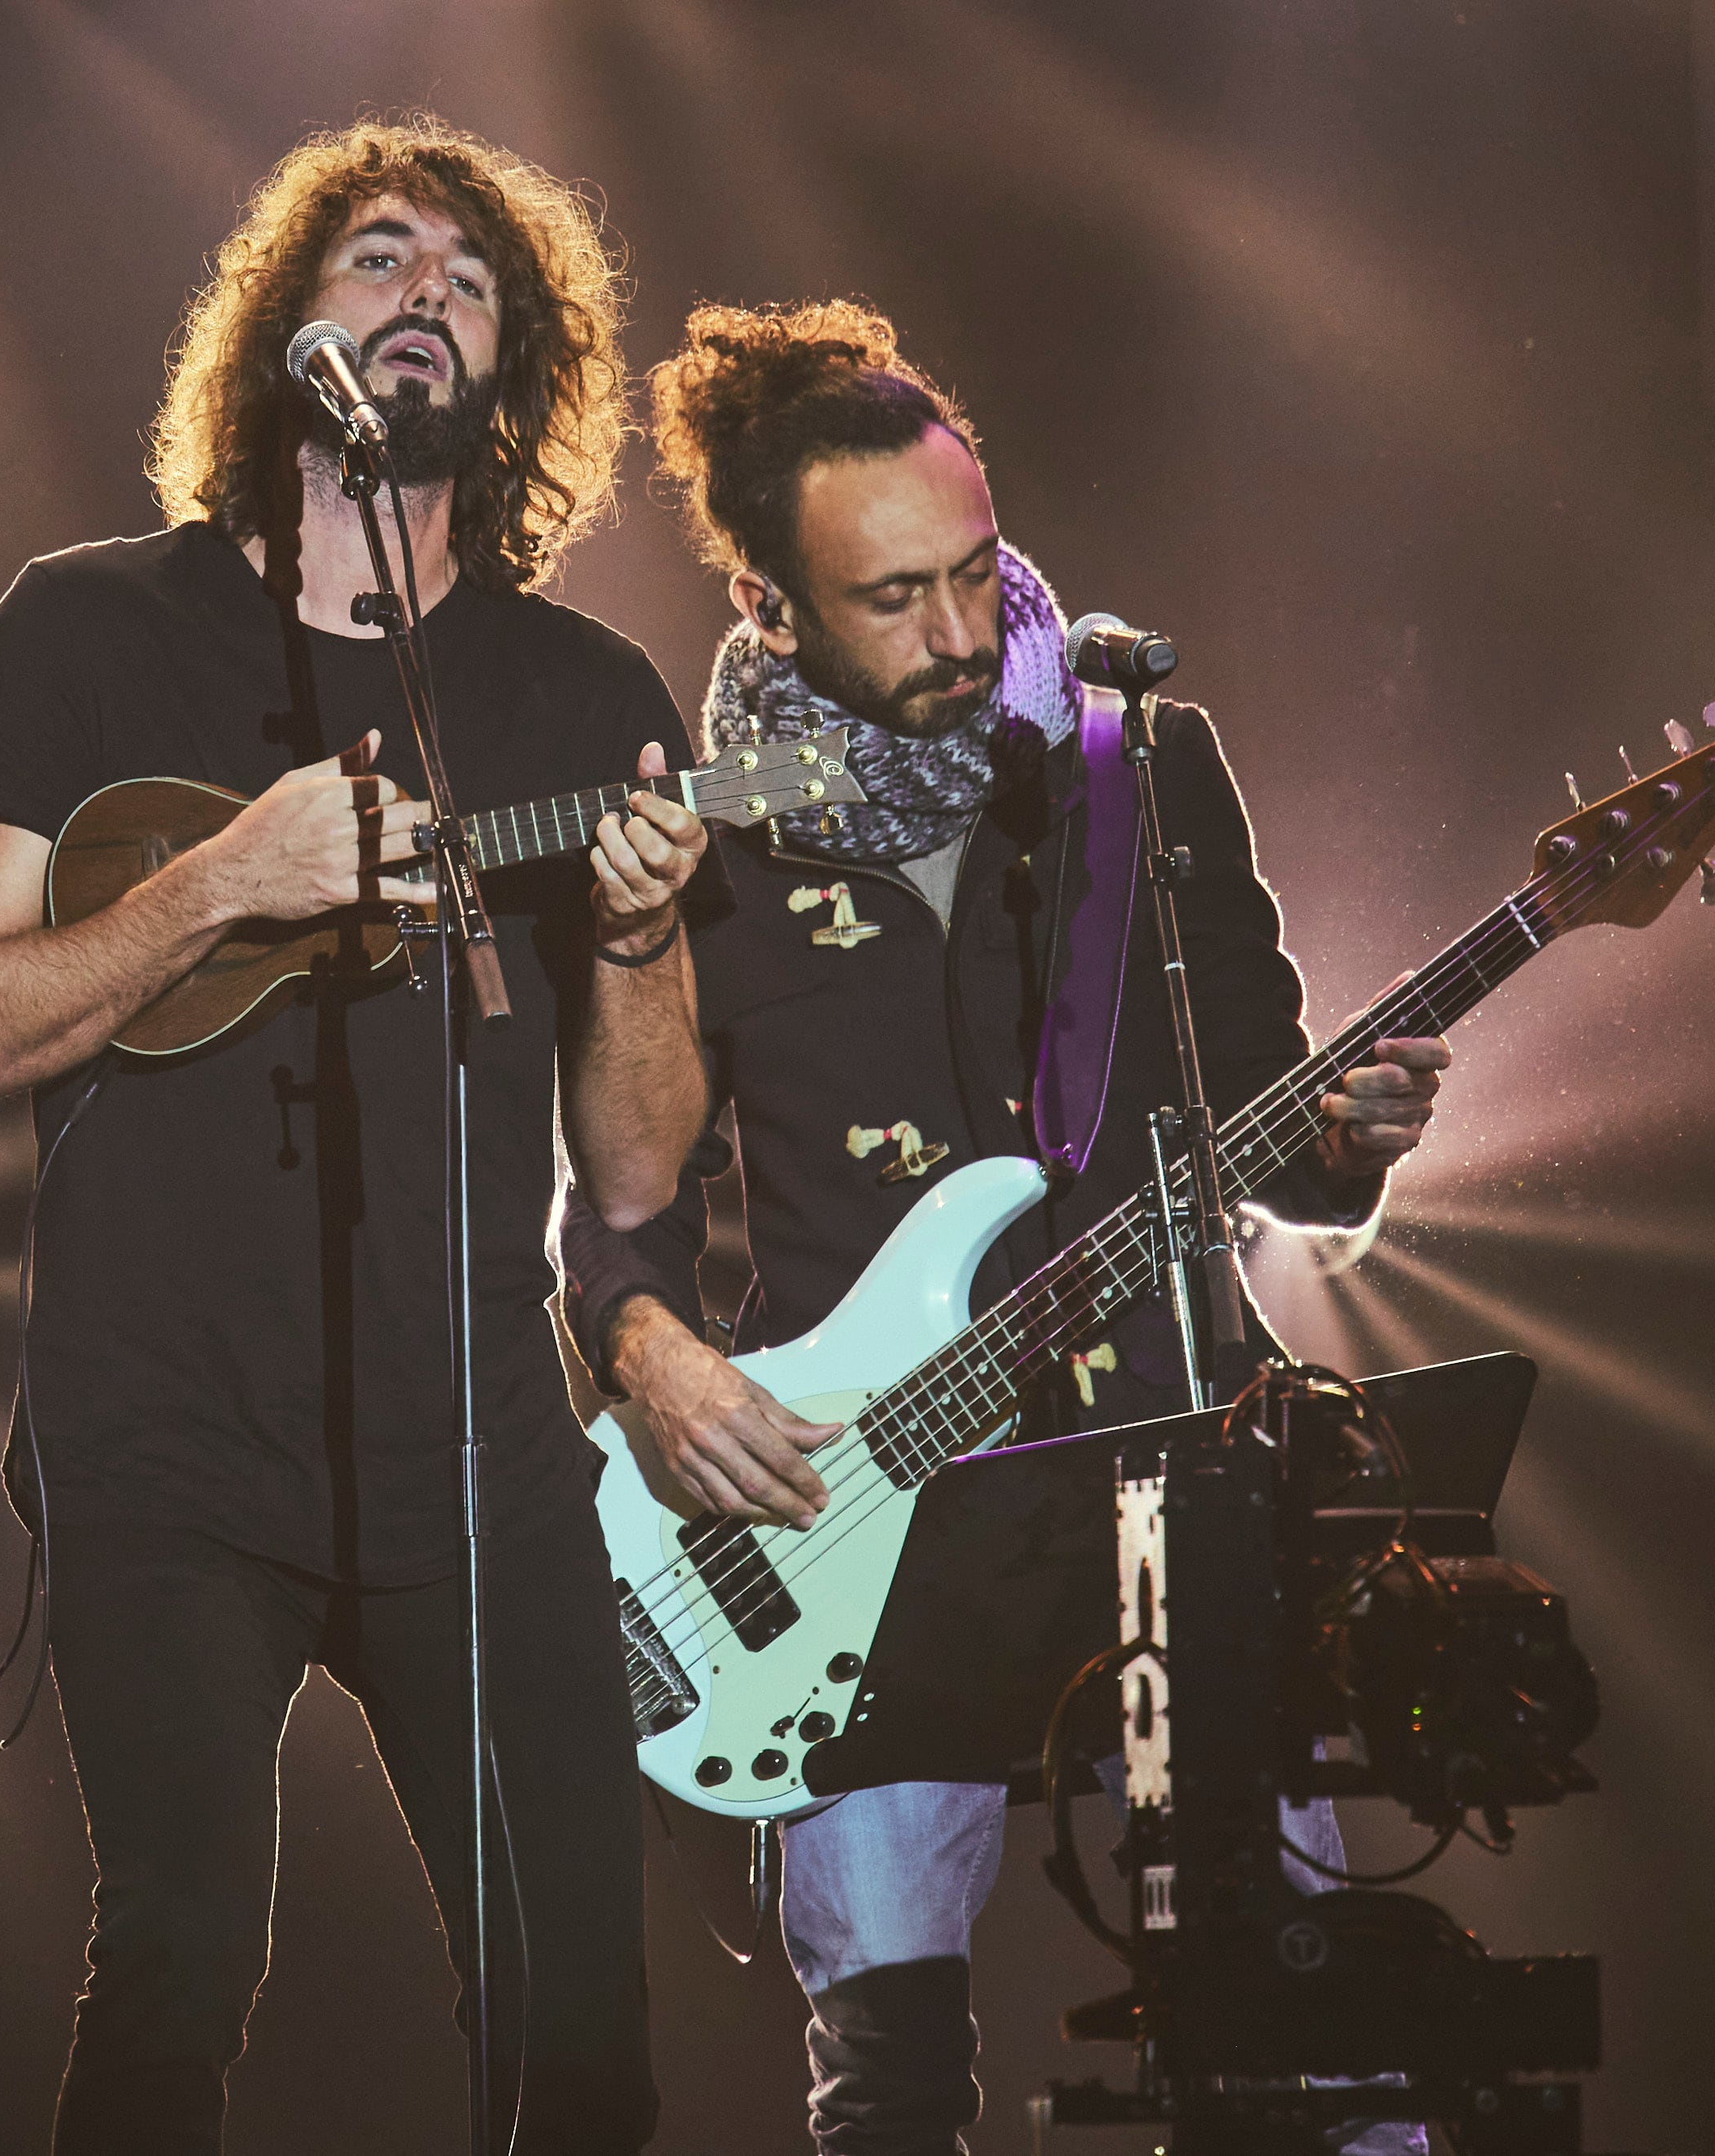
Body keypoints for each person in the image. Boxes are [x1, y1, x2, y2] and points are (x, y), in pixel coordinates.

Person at [0, 119, 709, 2154]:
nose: (420, 296)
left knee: (580, 2010)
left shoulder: (580, 681)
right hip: (159, 1435)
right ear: (281, 324)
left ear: (514, 377)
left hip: (476, 1446)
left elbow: (630, 1172)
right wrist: (215, 886)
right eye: (376, 258)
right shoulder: (81, 630)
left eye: (467, 283)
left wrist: (642, 932)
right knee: (175, 1962)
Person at [558, 300, 1450, 2155]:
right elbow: (617, 1236)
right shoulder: (697, 849)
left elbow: (1278, 1135)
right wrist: (651, 1366)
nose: (961, 633)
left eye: (973, 572)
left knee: (1308, 2058)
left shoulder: (1139, 766)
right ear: (768, 605)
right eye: (892, 598)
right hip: (870, 1532)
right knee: (886, 2087)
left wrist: (1351, 1140)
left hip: (1174, 1484)